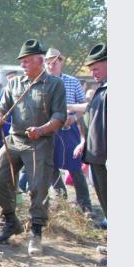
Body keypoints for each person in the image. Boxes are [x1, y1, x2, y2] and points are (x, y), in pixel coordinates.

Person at [0, 40, 67, 256]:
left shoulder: (54, 85)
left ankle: (36, 232)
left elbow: (60, 116)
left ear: (40, 61)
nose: (22, 64)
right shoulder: (14, 84)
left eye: (26, 60)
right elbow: (1, 108)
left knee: (37, 187)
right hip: (14, 139)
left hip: (40, 142)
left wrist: (41, 130)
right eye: (21, 61)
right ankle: (11, 219)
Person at [44, 48, 93, 216]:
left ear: (61, 62)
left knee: (74, 165)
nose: (51, 65)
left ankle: (85, 204)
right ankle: (62, 199)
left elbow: (85, 105)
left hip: (68, 127)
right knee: (51, 164)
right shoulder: (42, 82)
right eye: (48, 62)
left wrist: (74, 117)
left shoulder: (72, 81)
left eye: (54, 62)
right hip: (49, 127)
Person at [74, 43, 107, 264]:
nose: (92, 72)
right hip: (96, 156)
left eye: (96, 67)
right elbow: (91, 116)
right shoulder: (102, 89)